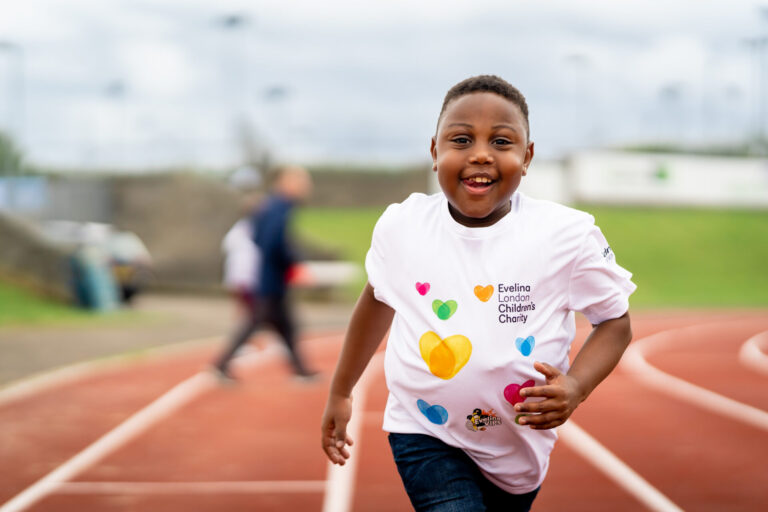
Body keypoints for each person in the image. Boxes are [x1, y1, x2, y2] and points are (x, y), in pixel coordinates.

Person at [321, 75, 636, 511]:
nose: (482, 154)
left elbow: (615, 322)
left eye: (502, 142)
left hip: (520, 450)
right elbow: (377, 300)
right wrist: (341, 390)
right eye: (462, 139)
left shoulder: (567, 235)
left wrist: (577, 386)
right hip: (423, 431)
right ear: (435, 152)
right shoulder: (403, 226)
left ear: (527, 158)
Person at [213, 165, 317, 381]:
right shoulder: (279, 207)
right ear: (286, 181)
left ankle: (300, 368)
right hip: (270, 280)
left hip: (269, 277)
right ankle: (221, 364)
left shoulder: (269, 205)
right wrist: (293, 263)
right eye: (302, 181)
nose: (306, 187)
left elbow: (258, 236)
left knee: (285, 326)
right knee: (256, 323)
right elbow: (274, 242)